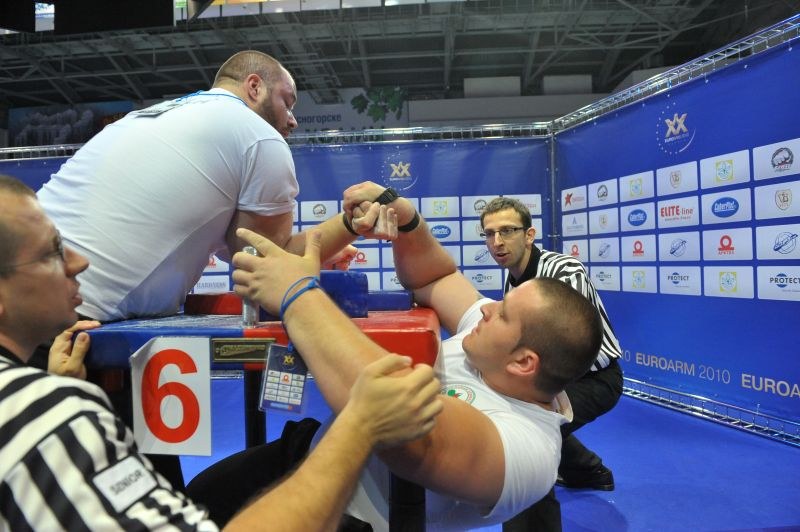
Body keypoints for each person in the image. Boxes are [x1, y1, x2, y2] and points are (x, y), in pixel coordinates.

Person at [0, 174, 443, 530]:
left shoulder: (46, 401)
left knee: (295, 446)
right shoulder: (50, 412)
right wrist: (361, 426)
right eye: (52, 253)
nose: (79, 263)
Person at [223, 182, 604, 530]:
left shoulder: (530, 450)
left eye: (502, 314)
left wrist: (297, 295)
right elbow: (431, 279)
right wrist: (406, 219)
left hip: (344, 517)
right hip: (309, 450)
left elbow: (401, 425)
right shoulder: (489, 341)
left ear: (523, 363)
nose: (486, 309)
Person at [36, 49, 375, 323]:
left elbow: (240, 247)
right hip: (70, 310)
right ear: (254, 87)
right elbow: (266, 259)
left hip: (22, 281)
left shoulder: (150, 115)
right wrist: (348, 225)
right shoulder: (260, 137)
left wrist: (317, 252)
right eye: (288, 101)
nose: (293, 119)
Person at [479, 196, 624, 531]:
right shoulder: (514, 277)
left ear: (529, 235)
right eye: (489, 234)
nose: (497, 242)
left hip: (595, 378)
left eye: (507, 231)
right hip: (556, 377)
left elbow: (561, 346)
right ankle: (587, 470)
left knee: (523, 435)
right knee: (521, 409)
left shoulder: (564, 270)